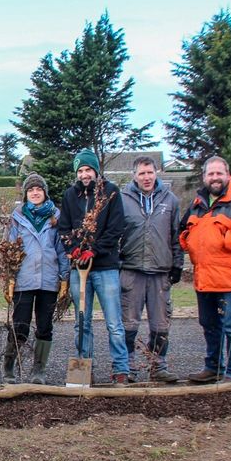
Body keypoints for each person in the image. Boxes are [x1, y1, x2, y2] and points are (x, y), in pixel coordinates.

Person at [179, 156, 231, 383]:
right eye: (211, 174)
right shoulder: (197, 204)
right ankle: (213, 367)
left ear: (227, 175)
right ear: (204, 177)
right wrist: (189, 242)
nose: (215, 178)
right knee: (209, 325)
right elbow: (182, 230)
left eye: (219, 173)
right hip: (205, 277)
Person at [57, 149, 131, 384]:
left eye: (88, 169)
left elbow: (116, 227)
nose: (84, 174)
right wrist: (74, 250)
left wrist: (95, 250)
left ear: (96, 171)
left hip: (106, 267)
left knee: (114, 322)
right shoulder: (70, 196)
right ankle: (84, 368)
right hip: (80, 269)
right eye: (80, 171)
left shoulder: (110, 193)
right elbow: (64, 229)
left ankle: (121, 369)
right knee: (82, 321)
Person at [119, 155, 184, 383]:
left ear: (157, 173)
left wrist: (177, 264)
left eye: (150, 172)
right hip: (131, 270)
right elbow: (115, 234)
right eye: (141, 173)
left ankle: (158, 366)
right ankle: (129, 366)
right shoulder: (122, 199)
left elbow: (177, 235)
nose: (146, 177)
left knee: (160, 324)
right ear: (134, 176)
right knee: (129, 324)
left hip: (160, 271)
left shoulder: (170, 200)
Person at [2, 173, 69, 385]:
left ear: (44, 192)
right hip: (23, 280)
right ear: (26, 194)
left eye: (39, 189)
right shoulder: (17, 217)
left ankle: (38, 370)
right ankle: (9, 367)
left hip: (48, 280)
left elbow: (62, 249)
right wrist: (9, 278)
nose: (35, 192)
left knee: (44, 326)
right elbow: (9, 249)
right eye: (31, 190)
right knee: (20, 325)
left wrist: (64, 277)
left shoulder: (56, 217)